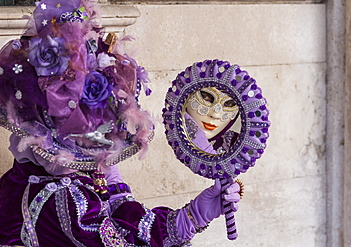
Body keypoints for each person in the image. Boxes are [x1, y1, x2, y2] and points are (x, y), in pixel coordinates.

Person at [0, 0, 241, 246]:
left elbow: (120, 211)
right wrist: (191, 218)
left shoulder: (35, 178)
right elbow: (121, 240)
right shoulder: (62, 197)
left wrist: (193, 214)